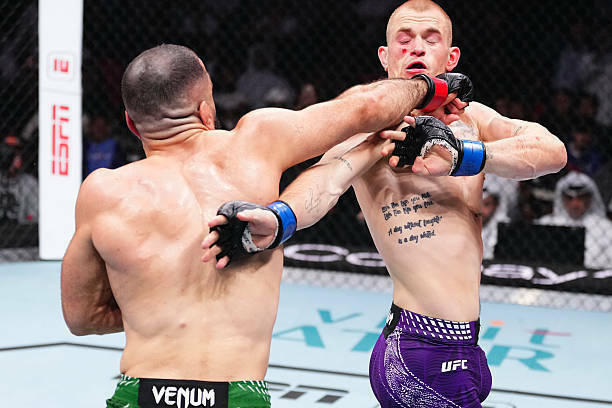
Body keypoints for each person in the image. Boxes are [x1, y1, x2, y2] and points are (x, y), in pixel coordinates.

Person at [61, 43, 472, 408]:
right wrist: (432, 87)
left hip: (142, 394)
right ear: (207, 111)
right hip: (237, 395)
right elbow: (367, 107)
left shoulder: (102, 192)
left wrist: (152, 303)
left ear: (131, 124)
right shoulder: (256, 142)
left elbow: (81, 317)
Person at [202, 1, 567, 406]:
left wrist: (461, 155)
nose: (417, 48)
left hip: (465, 346)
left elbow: (551, 152)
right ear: (385, 56)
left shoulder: (472, 120)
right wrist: (279, 218)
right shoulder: (374, 132)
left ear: (451, 58)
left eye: (430, 39)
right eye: (404, 39)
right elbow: (328, 180)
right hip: (418, 350)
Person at [535, 171, 612, 270]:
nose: (575, 204)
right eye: (569, 198)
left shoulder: (607, 228)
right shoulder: (545, 223)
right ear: (561, 198)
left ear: (590, 198)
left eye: (581, 197)